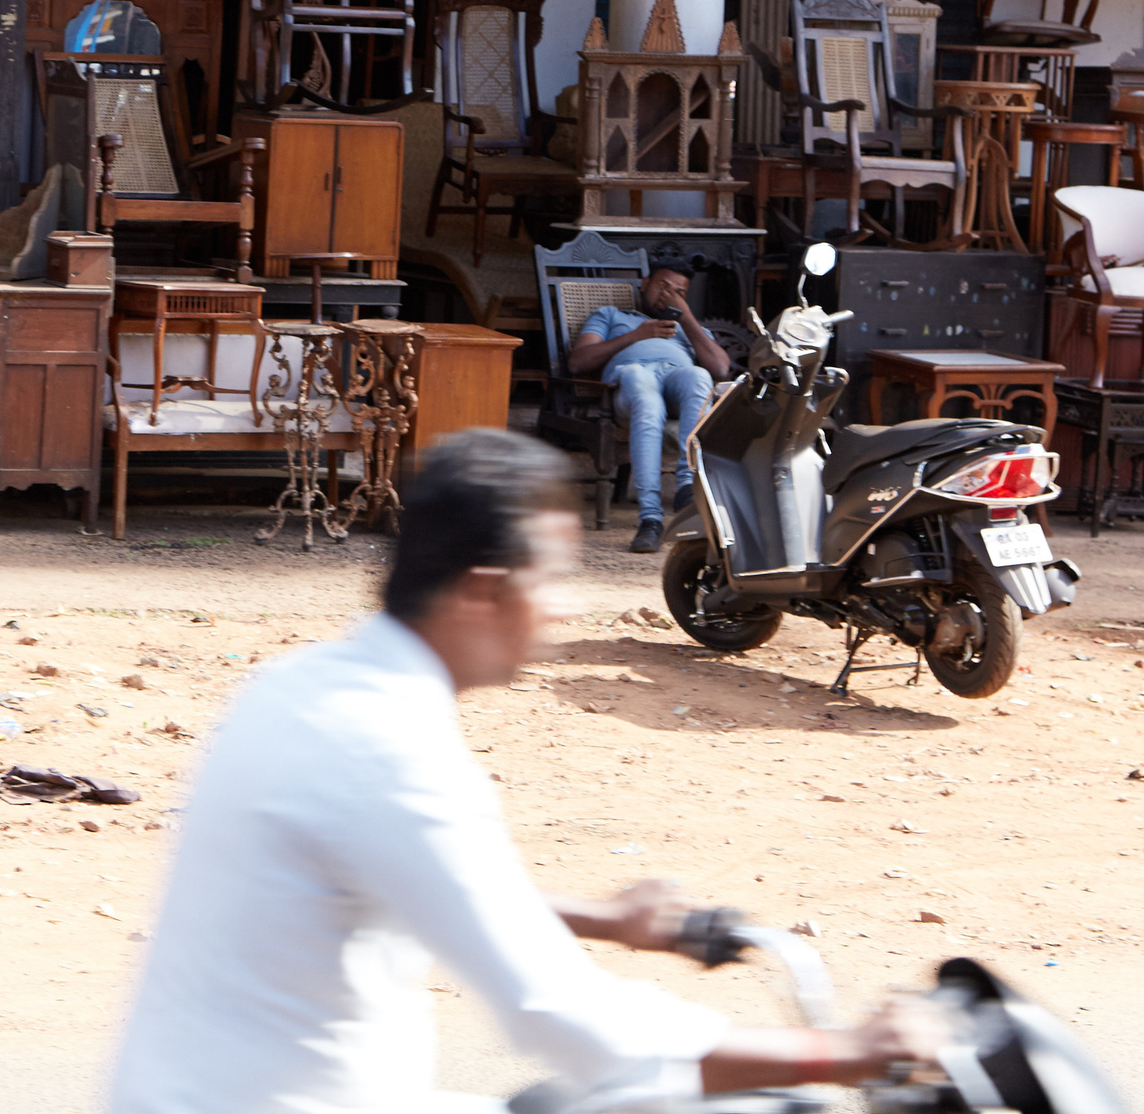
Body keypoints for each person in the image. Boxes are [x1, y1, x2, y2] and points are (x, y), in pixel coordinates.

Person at [108, 430, 939, 1114]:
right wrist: (842, 1054)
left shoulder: (298, 685)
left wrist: (609, 921)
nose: (565, 607)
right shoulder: (393, 750)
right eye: (551, 578)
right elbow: (567, 1018)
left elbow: (409, 884)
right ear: (481, 593)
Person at [568, 264, 732, 554]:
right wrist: (636, 336)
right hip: (630, 383)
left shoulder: (689, 329)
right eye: (664, 286)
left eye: (679, 293)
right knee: (642, 388)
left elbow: (720, 367)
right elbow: (578, 361)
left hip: (675, 384)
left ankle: (685, 486)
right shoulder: (611, 315)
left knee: (699, 376)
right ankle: (650, 519)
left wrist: (687, 317)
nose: (668, 295)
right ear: (645, 283)